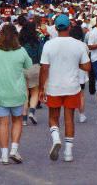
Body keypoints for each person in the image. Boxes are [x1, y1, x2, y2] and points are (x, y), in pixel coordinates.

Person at [39, 14, 91, 163]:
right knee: (70, 119)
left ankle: (56, 138)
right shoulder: (78, 45)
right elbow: (87, 67)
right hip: (72, 87)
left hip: (54, 86)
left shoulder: (49, 45)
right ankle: (68, 153)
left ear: (55, 28)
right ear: (69, 27)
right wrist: (76, 64)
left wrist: (42, 87)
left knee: (53, 117)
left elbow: (44, 68)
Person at [0, 25, 32, 165]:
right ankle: (14, 150)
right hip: (17, 94)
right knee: (17, 121)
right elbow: (29, 65)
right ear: (16, 36)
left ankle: (4, 155)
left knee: (3, 124)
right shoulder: (21, 51)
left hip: (0, 94)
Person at [19, 22, 43, 126]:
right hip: (34, 67)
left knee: (25, 93)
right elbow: (41, 55)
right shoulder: (37, 41)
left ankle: (23, 118)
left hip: (22, 68)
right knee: (35, 92)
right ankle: (32, 112)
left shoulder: (20, 42)